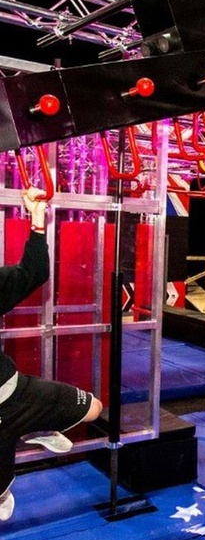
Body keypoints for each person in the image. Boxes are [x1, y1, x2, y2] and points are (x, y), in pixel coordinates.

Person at [0, 187, 103, 521]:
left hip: (12, 392)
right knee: (1, 497)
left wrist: (36, 218)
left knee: (94, 409)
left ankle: (35, 427)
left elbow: (34, 272)